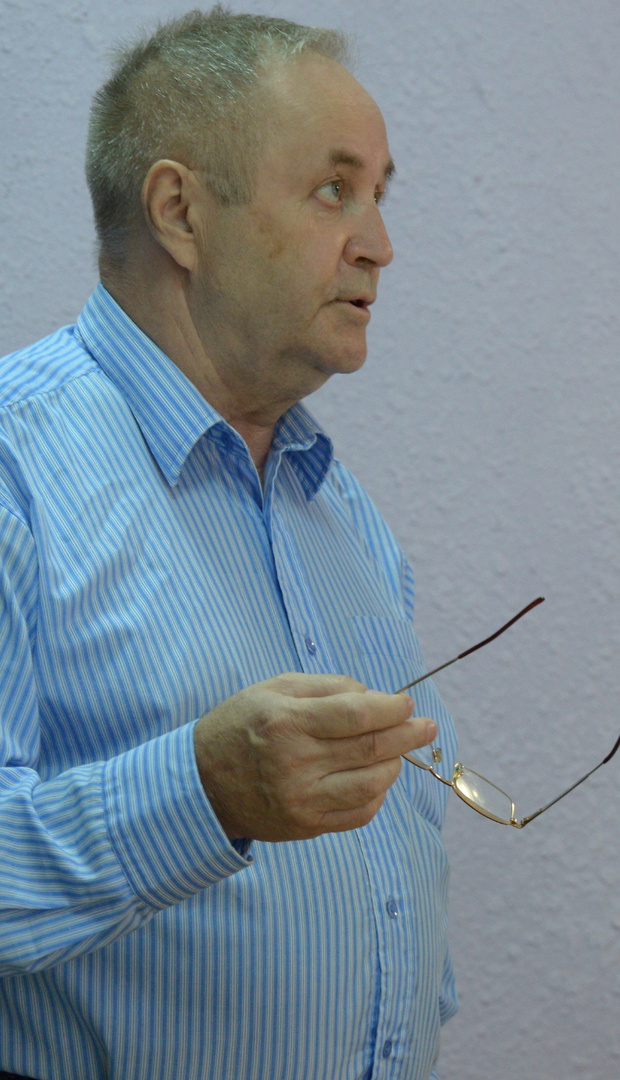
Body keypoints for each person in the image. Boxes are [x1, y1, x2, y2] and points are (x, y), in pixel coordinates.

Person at [0, 10, 459, 1079]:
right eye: (334, 189)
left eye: (383, 193)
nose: (380, 244)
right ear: (180, 213)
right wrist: (201, 795)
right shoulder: (15, 468)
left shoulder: (341, 511)